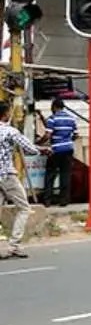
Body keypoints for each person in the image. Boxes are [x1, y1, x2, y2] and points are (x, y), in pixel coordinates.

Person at [0, 101, 52, 259]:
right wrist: (42, 150)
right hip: (6, 174)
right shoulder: (10, 131)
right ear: (6, 114)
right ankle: (14, 245)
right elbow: (29, 148)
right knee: (24, 208)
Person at [42, 98, 78, 206]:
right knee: (65, 175)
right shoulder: (72, 118)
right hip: (68, 149)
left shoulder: (52, 119)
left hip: (55, 150)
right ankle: (64, 200)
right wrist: (67, 141)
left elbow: (47, 135)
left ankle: (47, 200)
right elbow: (76, 135)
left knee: (50, 174)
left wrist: (38, 142)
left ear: (54, 107)